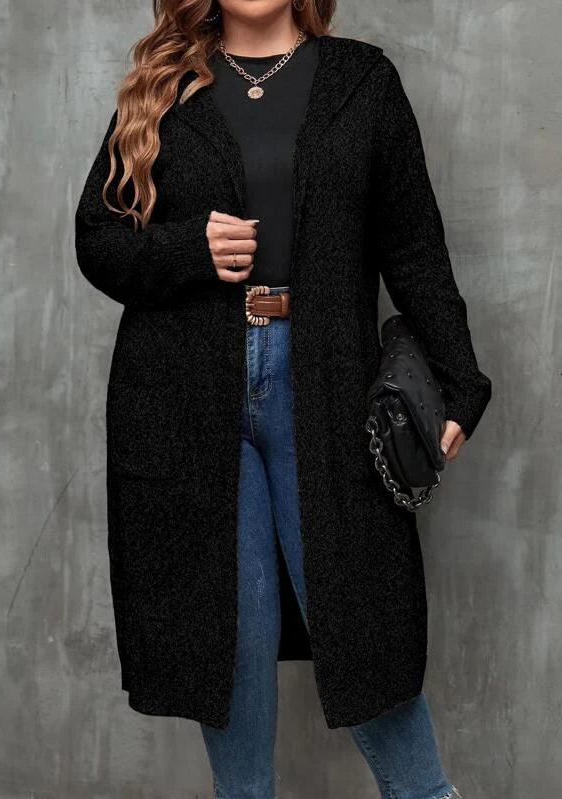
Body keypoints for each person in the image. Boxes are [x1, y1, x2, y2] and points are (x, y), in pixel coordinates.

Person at [75, 1, 491, 797]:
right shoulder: (169, 86)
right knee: (231, 633)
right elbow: (97, 238)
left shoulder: (362, 82)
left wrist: (461, 383)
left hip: (324, 380)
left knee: (361, 621)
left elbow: (413, 246)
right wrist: (188, 247)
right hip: (187, 396)